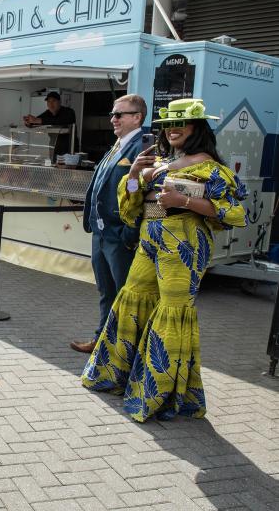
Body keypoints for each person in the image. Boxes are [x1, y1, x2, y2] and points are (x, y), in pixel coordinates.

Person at [81, 98, 247, 422]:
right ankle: (121, 376)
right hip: (149, 237)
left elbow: (234, 212)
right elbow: (129, 196)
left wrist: (182, 200)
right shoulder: (162, 160)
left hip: (184, 241)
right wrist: (133, 172)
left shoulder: (211, 168)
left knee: (172, 312)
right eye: (168, 125)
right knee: (131, 298)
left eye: (180, 124)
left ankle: (160, 395)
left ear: (197, 128)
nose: (172, 130)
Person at [71, 94, 146, 354]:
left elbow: (140, 192)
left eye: (119, 114)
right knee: (106, 291)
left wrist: (129, 234)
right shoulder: (118, 144)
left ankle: (125, 351)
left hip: (119, 235)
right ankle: (102, 341)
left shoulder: (142, 148)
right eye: (112, 114)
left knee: (125, 294)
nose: (112, 119)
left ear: (137, 117)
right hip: (102, 234)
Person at [23, 91, 77, 157]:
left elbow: (58, 121)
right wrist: (28, 122)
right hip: (53, 147)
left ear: (60, 102)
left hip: (69, 149)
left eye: (54, 101)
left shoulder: (69, 112)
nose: (51, 104)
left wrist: (38, 120)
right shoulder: (48, 113)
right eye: (48, 102)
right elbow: (36, 121)